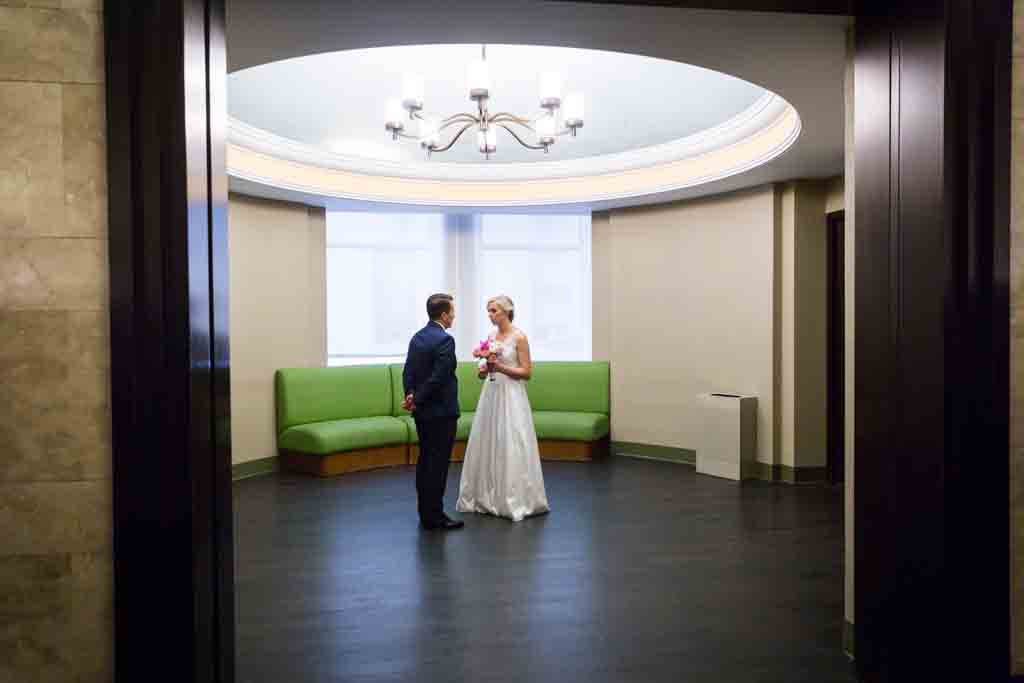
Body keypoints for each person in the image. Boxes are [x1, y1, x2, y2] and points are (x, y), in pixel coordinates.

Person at [457, 295, 550, 522]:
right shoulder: (491, 337)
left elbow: (527, 372)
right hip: (491, 394)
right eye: (488, 311)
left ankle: (514, 498)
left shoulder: (519, 337)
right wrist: (484, 369)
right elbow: (485, 370)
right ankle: (486, 495)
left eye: (493, 311)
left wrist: (498, 366)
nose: (490, 315)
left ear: (507, 311)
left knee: (511, 440)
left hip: (511, 395)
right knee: (488, 440)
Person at [403, 294, 464, 531]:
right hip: (442, 413)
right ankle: (436, 517)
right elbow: (439, 377)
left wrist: (411, 396)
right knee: (437, 466)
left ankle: (425, 514)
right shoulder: (445, 341)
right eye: (453, 312)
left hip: (422, 412)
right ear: (444, 315)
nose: (454, 317)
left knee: (425, 461)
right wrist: (417, 398)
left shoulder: (418, 337)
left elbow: (409, 371)